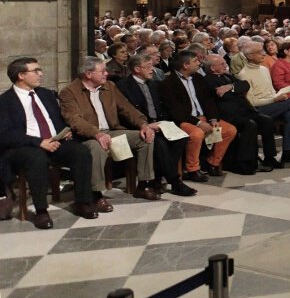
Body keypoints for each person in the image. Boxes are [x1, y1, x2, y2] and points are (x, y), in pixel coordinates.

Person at [0, 58, 97, 228]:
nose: (41, 74)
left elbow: (56, 120)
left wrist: (64, 132)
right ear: (21, 75)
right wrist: (39, 142)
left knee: (80, 152)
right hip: (24, 147)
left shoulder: (45, 94)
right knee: (36, 158)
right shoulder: (5, 101)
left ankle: (83, 201)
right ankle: (41, 210)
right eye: (36, 70)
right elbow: (6, 135)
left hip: (53, 141)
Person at [58, 57, 163, 213]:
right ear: (88, 74)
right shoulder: (69, 92)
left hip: (112, 131)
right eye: (102, 71)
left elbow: (127, 108)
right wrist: (97, 134)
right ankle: (96, 194)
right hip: (88, 135)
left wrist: (143, 124)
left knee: (145, 138)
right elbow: (75, 120)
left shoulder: (109, 86)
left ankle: (144, 184)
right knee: (97, 146)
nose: (106, 74)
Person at [117, 54, 198, 194]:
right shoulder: (124, 86)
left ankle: (157, 178)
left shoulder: (155, 84)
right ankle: (175, 181)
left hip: (159, 123)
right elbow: (126, 113)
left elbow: (163, 108)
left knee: (182, 137)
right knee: (159, 143)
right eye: (148, 67)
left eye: (152, 66)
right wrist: (147, 125)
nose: (152, 70)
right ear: (136, 68)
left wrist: (163, 123)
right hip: (139, 126)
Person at [160, 50, 239, 181]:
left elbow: (208, 101)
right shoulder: (168, 83)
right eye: (195, 61)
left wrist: (212, 118)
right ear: (186, 65)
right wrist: (198, 123)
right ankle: (192, 169)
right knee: (197, 134)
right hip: (184, 120)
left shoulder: (198, 78)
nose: (199, 63)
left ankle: (212, 163)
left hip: (204, 117)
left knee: (229, 130)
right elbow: (175, 110)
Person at [201, 54, 279, 172]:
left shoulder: (228, 76)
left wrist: (230, 86)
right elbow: (223, 95)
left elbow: (245, 85)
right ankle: (245, 163)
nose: (225, 65)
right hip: (228, 115)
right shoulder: (207, 80)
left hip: (245, 110)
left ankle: (270, 157)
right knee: (250, 124)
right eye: (222, 64)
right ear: (212, 68)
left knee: (266, 120)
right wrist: (234, 88)